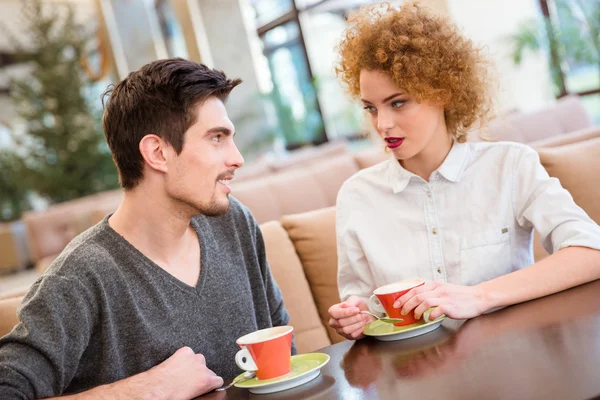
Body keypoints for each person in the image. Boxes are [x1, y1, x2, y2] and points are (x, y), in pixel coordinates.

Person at [0, 58, 293, 399]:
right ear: (157, 153)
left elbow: (285, 352)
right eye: (217, 138)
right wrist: (146, 390)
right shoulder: (79, 279)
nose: (237, 157)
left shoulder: (234, 224)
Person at [328, 2, 600, 341]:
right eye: (371, 107)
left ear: (442, 93)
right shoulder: (357, 196)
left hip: (515, 359)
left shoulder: (510, 166)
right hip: (415, 376)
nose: (382, 124)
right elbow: (361, 301)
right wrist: (355, 315)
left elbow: (592, 251)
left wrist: (478, 296)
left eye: (398, 102)